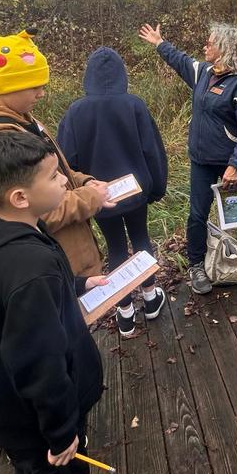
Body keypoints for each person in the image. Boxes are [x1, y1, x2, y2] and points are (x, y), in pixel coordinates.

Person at [0, 131, 108, 474]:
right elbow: (40, 364)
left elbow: (22, 299)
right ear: (20, 197)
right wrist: (62, 434)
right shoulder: (31, 267)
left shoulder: (2, 229)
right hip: (39, 425)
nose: (65, 179)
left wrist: (78, 286)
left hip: (17, 413)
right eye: (52, 176)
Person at [0, 29, 109, 277]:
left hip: (66, 259)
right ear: (7, 86)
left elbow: (50, 172)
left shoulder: (21, 120)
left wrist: (82, 181)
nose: (41, 93)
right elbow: (27, 214)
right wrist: (89, 198)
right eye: (34, 87)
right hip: (44, 270)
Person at [138, 22, 237, 295]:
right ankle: (196, 264)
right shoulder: (204, 73)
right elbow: (180, 60)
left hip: (231, 161)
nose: (205, 46)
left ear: (225, 49)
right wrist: (160, 43)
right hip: (202, 160)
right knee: (197, 214)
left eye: (210, 43)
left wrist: (236, 164)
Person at [57, 47, 169, 338]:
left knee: (116, 247)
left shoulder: (75, 111)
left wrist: (82, 192)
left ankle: (125, 311)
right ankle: (150, 295)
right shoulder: (134, 105)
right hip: (135, 192)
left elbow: (66, 161)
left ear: (88, 76)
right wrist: (156, 187)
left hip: (99, 197)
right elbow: (152, 152)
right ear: (122, 74)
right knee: (141, 237)